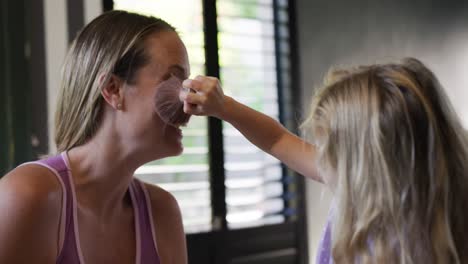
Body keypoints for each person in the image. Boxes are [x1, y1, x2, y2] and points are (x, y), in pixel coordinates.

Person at [180, 58, 468, 263]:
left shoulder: (417, 243)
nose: (320, 156)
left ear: (365, 163)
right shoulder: (360, 182)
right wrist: (224, 107)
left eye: (329, 147)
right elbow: (277, 139)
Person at [0, 10, 189, 264]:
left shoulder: (162, 211)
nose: (188, 102)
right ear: (113, 89)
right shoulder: (29, 196)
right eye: (173, 81)